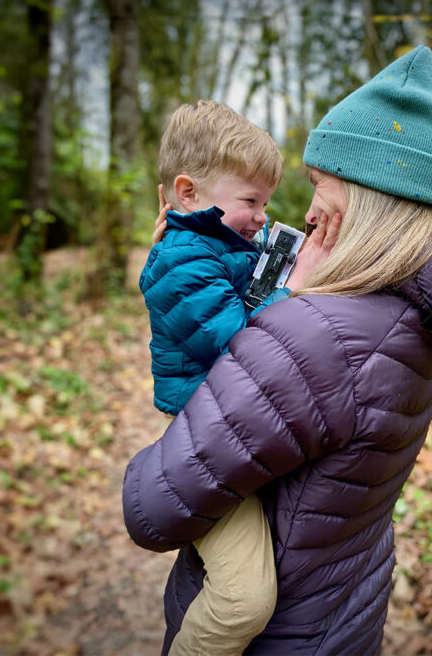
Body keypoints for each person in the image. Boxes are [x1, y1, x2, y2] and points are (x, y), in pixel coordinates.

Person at [124, 45, 432, 654]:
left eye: (320, 184)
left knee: (235, 592)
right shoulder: (417, 309)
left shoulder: (316, 331)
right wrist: (196, 238)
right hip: (341, 612)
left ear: (367, 192)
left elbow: (155, 506)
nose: (306, 210)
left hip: (279, 633)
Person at [137, 99, 291, 656]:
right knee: (244, 597)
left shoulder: (221, 248)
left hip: (227, 427)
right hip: (205, 442)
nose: (262, 216)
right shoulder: (183, 263)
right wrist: (291, 295)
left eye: (265, 202)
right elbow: (240, 345)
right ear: (187, 194)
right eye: (251, 201)